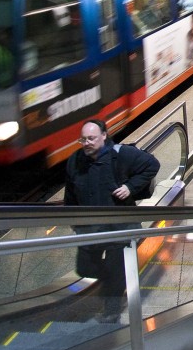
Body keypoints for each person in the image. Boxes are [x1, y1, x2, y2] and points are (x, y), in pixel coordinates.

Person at [65, 119, 161, 322]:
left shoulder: (121, 155)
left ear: (103, 136)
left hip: (120, 226)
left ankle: (111, 311)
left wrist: (130, 187)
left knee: (116, 271)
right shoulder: (75, 160)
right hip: (90, 227)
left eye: (91, 138)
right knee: (84, 268)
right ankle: (113, 282)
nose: (86, 143)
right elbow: (70, 192)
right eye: (83, 139)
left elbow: (152, 165)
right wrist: (71, 218)